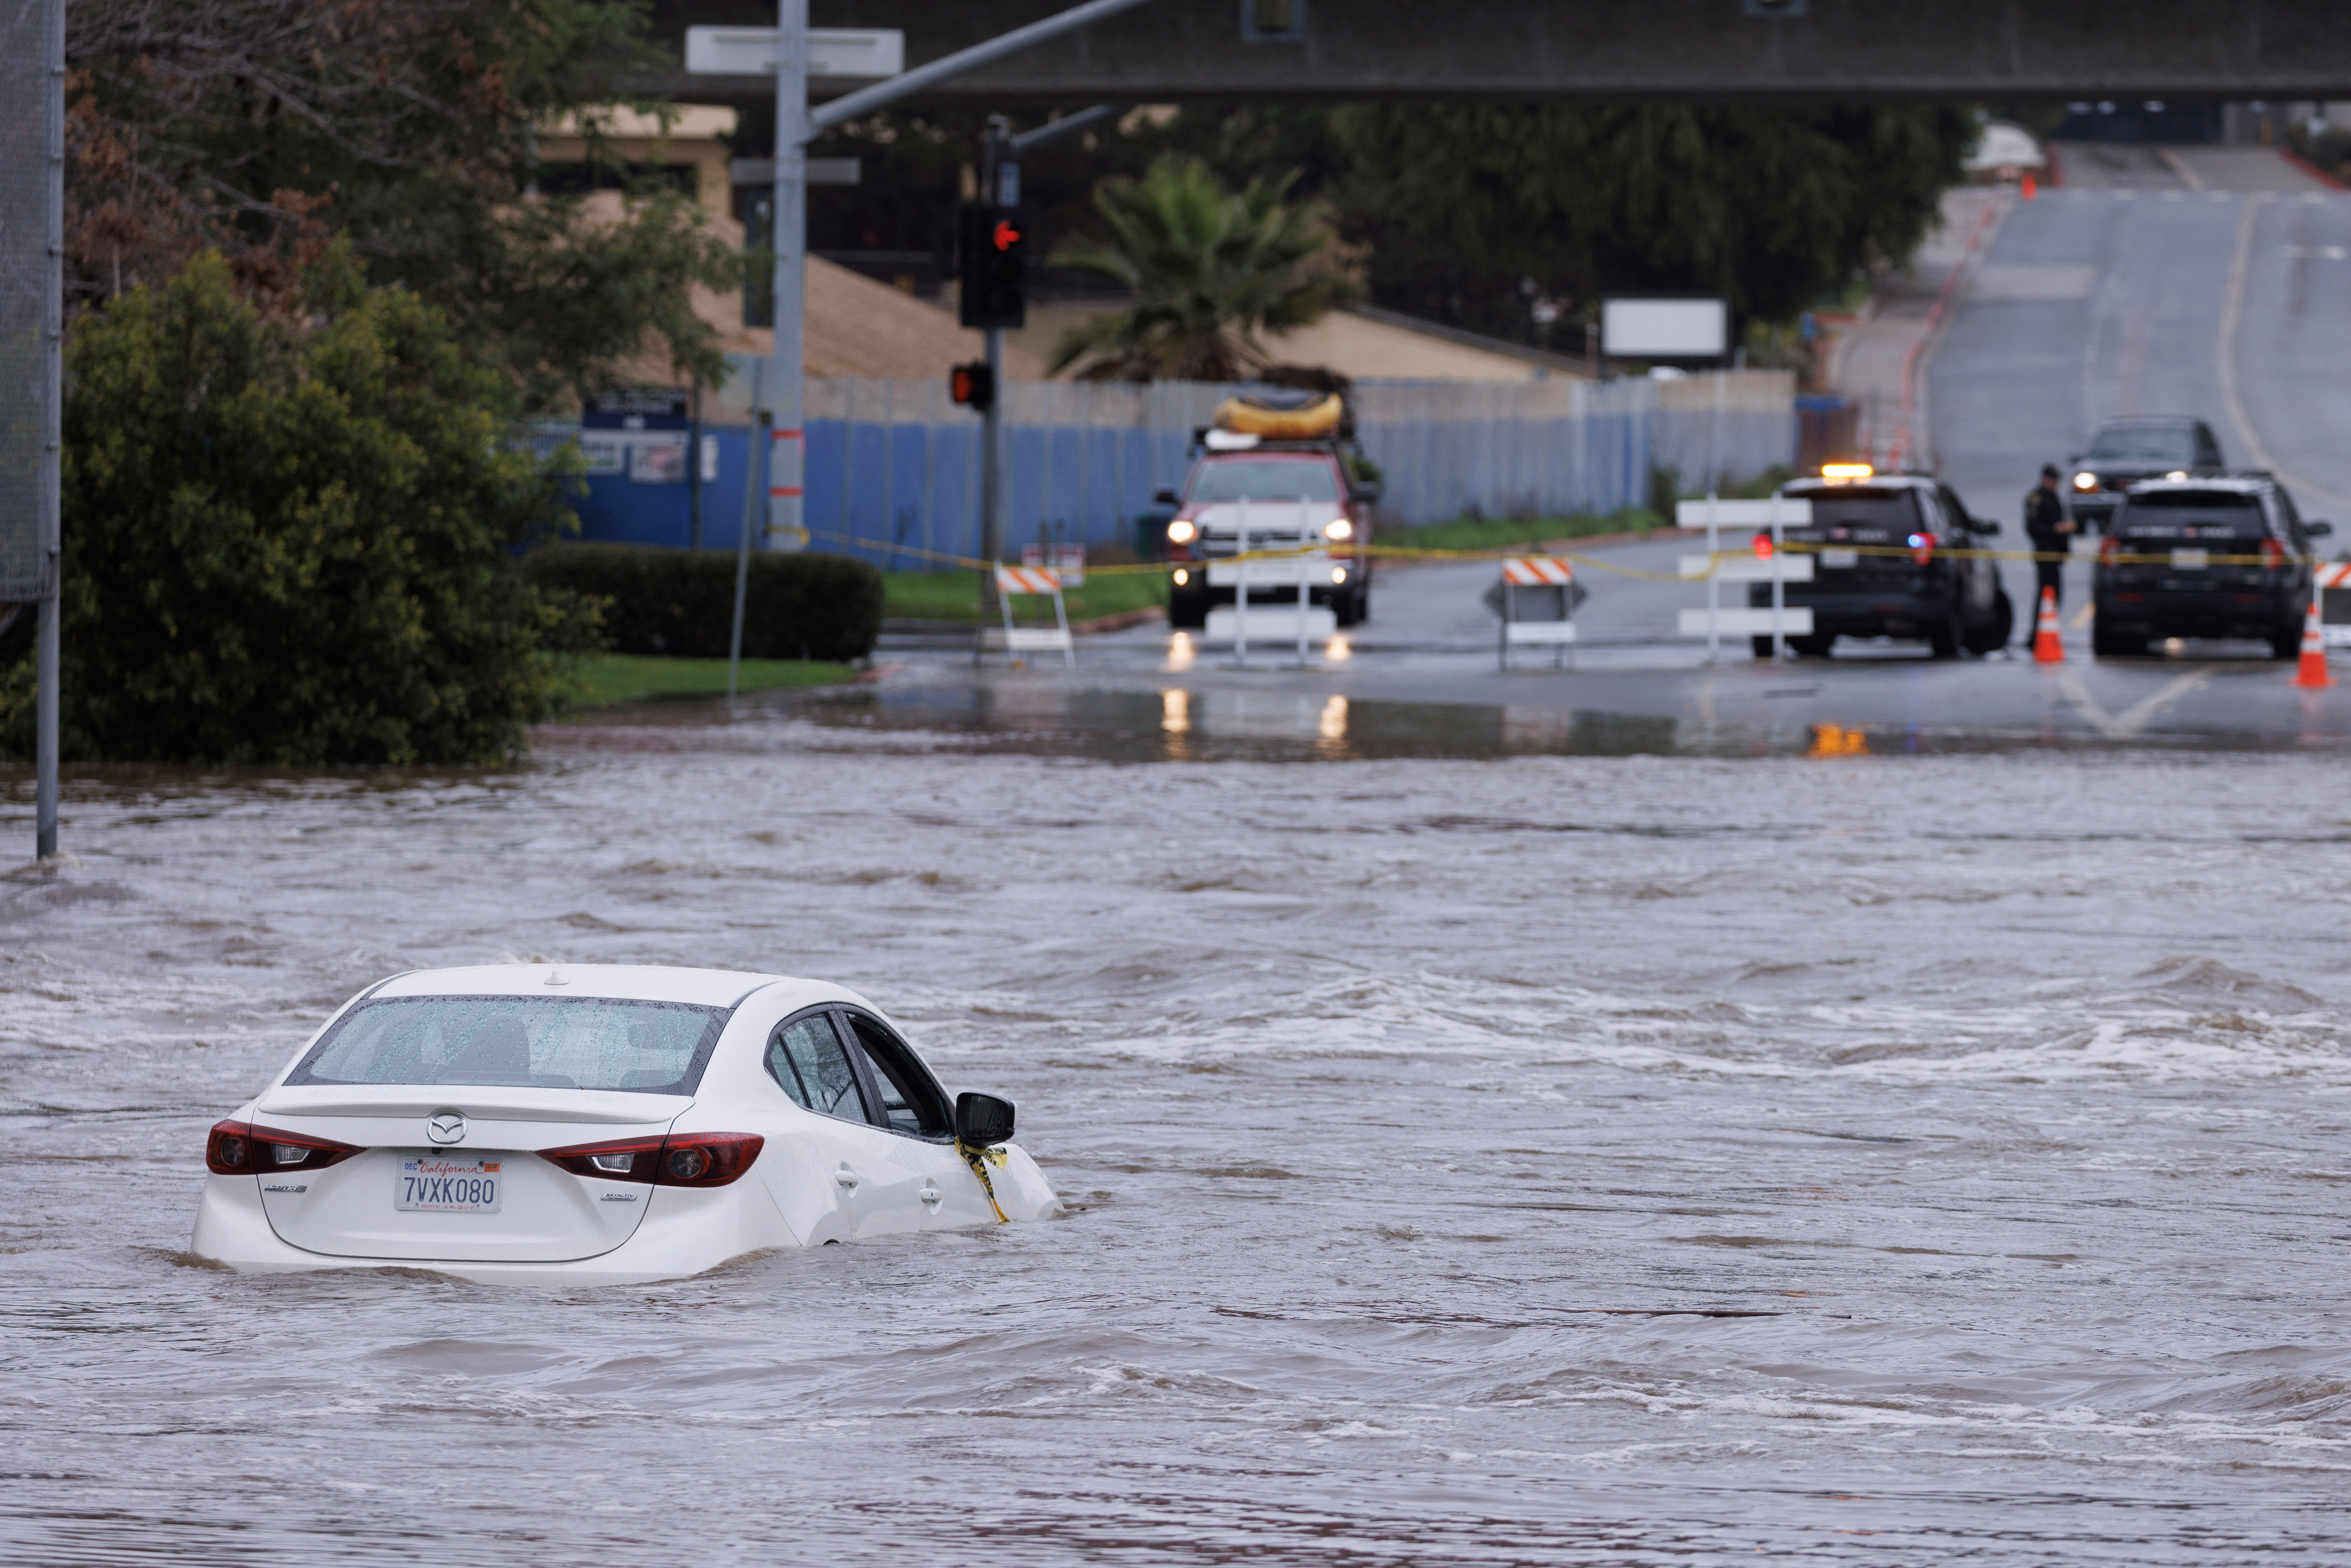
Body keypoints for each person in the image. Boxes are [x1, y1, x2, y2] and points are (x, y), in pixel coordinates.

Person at [2022, 463, 2074, 633]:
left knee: (2054, 594)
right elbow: (2033, 527)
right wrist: (2054, 530)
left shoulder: (2054, 497)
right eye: (2052, 480)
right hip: (2045, 553)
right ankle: (2036, 635)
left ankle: (2046, 631)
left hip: (2056, 555)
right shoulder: (2037, 498)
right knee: (2046, 594)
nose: (2055, 483)